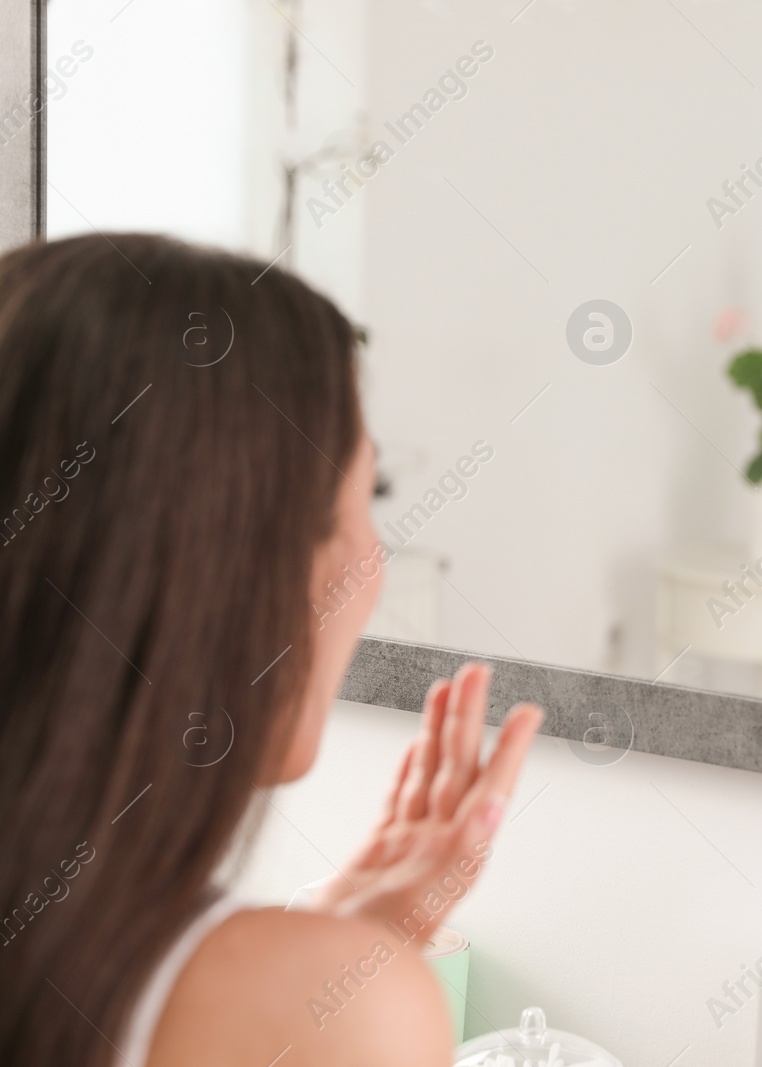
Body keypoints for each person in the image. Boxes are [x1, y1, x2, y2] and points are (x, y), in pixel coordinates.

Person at [0, 233, 544, 1065]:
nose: (373, 565)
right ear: (225, 563)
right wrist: (328, 987)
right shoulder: (338, 1017)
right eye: (366, 497)